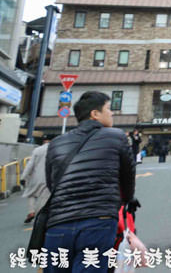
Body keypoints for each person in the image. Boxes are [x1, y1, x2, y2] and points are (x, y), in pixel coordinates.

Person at [43, 91, 139, 273]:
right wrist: (125, 200)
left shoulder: (56, 142)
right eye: (109, 109)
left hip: (58, 222)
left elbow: (52, 183)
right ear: (95, 114)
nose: (112, 113)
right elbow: (127, 178)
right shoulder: (116, 136)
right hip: (98, 220)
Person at [21, 135, 51, 224]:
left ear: (43, 141)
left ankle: (31, 212)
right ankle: (39, 216)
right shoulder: (56, 150)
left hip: (35, 177)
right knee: (44, 197)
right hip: (49, 178)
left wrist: (23, 177)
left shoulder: (37, 150)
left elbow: (30, 165)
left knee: (31, 194)